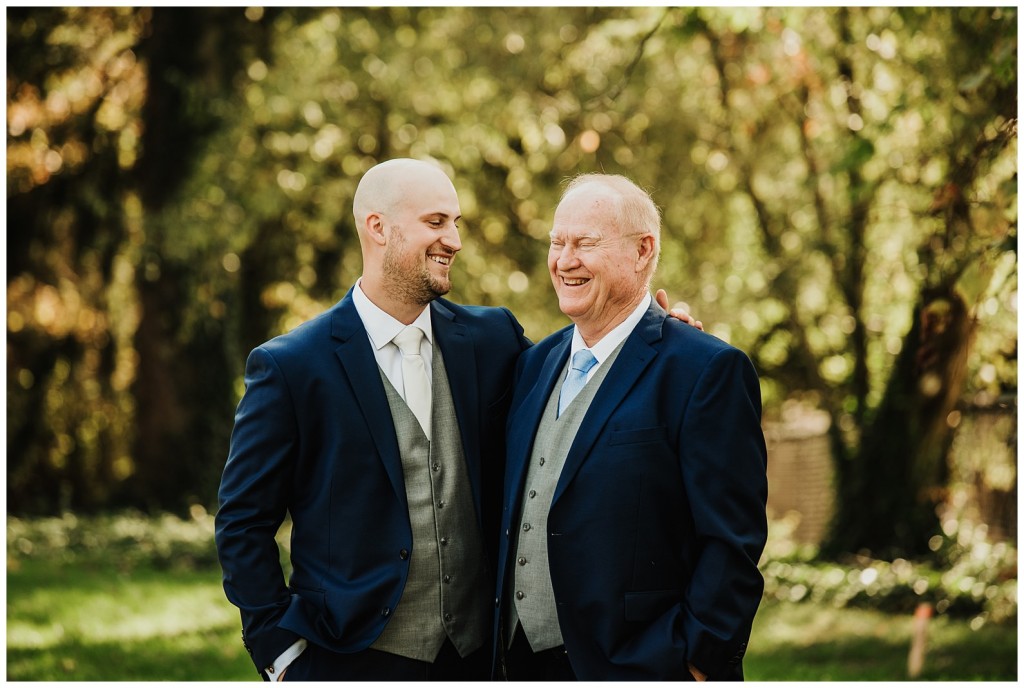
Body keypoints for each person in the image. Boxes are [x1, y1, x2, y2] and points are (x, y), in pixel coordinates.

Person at [215, 159, 699, 681]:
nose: (455, 240)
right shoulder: (291, 366)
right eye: (436, 221)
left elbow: (591, 392)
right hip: (347, 659)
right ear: (378, 228)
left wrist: (661, 341)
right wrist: (282, 656)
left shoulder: (494, 341)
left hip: (480, 661)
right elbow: (243, 522)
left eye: (456, 223)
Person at [494, 173, 768, 681]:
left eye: (586, 243)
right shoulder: (533, 365)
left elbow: (732, 541)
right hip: (521, 667)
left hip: (642, 666)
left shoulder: (704, 369)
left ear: (643, 252)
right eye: (557, 242)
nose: (565, 260)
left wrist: (694, 660)